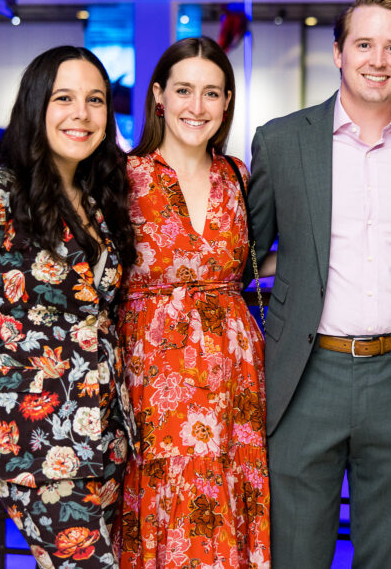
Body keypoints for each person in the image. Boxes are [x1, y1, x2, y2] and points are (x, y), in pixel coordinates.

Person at [246, 0, 391, 568]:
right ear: (338, 53)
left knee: (389, 557)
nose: (378, 59)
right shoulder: (282, 140)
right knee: (295, 552)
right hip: (305, 375)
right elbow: (243, 254)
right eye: (364, 44)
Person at [0, 45, 137, 568]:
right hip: (36, 443)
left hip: (105, 437)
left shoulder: (99, 198)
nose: (81, 114)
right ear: (36, 105)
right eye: (64, 98)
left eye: (95, 100)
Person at [115, 36, 270, 568]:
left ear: (227, 102)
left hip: (234, 375)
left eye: (212, 93)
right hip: (155, 376)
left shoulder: (237, 177)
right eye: (184, 90)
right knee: (165, 500)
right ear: (159, 95)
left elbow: (243, 260)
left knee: (228, 493)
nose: (196, 107)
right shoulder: (123, 177)